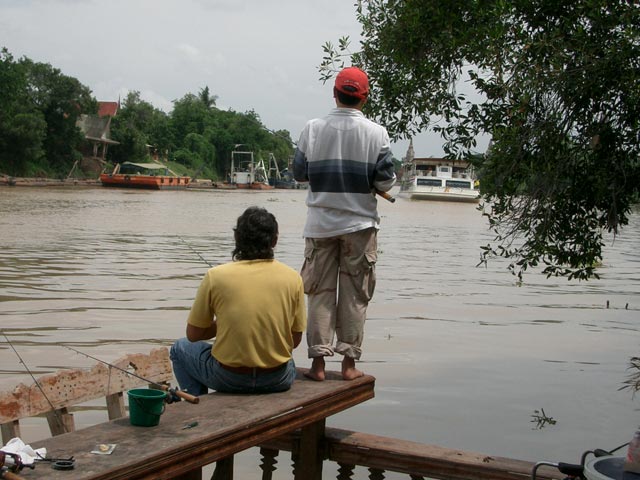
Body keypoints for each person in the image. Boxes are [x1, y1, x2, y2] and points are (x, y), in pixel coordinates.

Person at [292, 66, 396, 381]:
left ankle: (318, 366)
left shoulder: (312, 129)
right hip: (361, 228)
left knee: (320, 293)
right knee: (355, 295)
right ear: (363, 99)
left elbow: (299, 173)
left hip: (320, 226)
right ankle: (349, 365)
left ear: (335, 94)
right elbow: (386, 180)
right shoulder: (377, 133)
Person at [170, 206, 306, 395]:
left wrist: (223, 323)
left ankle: (197, 403)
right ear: (274, 241)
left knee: (180, 348)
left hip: (228, 378)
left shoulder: (216, 276)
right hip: (277, 379)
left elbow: (193, 335)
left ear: (236, 238)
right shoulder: (293, 278)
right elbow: (295, 340)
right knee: (288, 359)